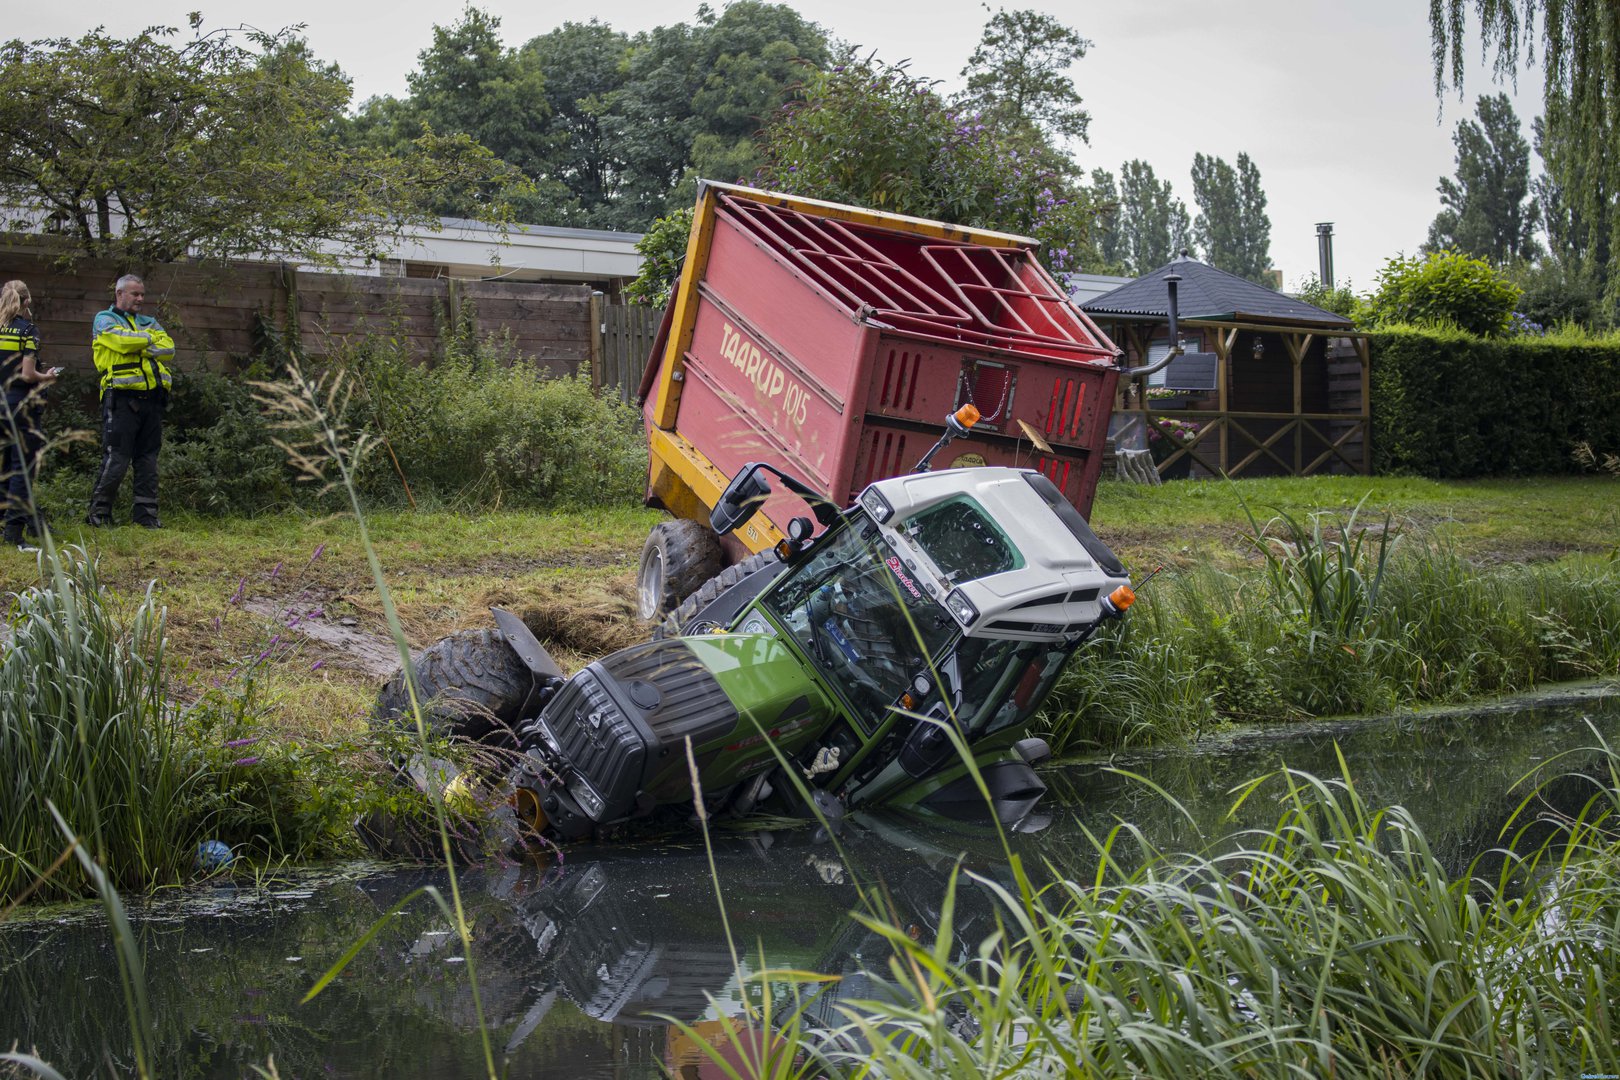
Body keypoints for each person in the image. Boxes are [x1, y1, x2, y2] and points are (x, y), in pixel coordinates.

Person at [87, 274, 174, 528]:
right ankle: (99, 514)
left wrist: (139, 342)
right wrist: (148, 341)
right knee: (117, 457)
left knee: (148, 459)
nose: (140, 299)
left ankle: (146, 516)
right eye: (135, 294)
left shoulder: (149, 321)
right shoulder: (104, 319)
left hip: (153, 400)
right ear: (119, 294)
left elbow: (168, 348)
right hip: (121, 400)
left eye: (142, 294)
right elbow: (120, 342)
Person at [0, 279, 59, 552]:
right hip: (20, 405)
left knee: (5, 467)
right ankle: (14, 533)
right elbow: (27, 374)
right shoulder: (28, 331)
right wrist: (46, 377)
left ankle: (4, 520)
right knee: (22, 468)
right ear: (27, 302)